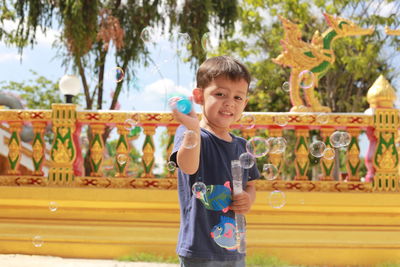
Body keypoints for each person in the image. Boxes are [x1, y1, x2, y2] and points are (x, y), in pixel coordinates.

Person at [169, 55, 260, 267]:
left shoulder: (242, 146)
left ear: (245, 103)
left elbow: (251, 185)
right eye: (220, 94)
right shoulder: (191, 134)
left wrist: (249, 199)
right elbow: (188, 166)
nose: (229, 102)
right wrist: (192, 128)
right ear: (199, 96)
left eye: (238, 98)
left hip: (235, 249)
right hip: (199, 250)